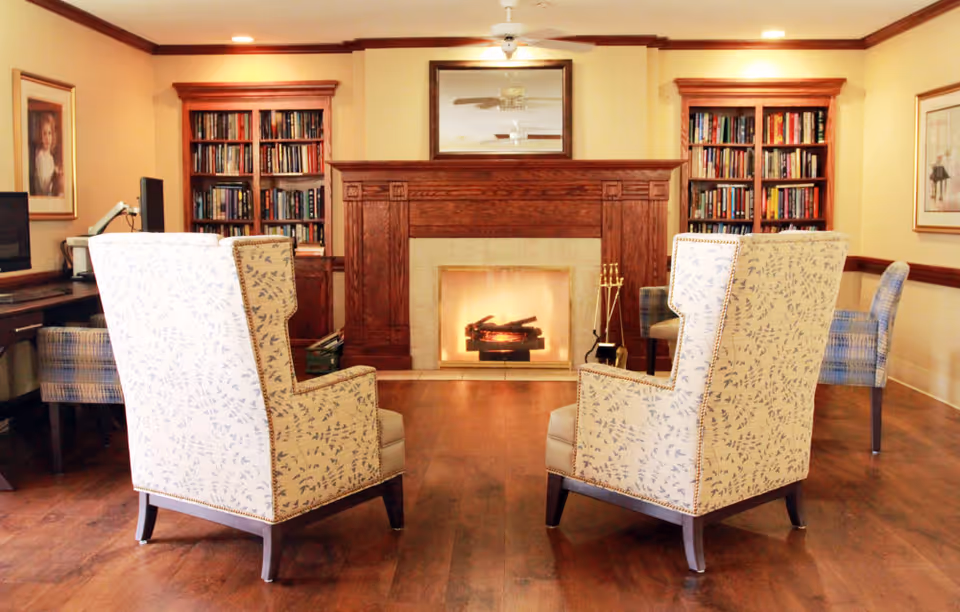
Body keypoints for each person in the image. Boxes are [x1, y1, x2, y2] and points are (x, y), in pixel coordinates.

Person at [32, 113, 62, 196]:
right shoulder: (40, 156)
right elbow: (44, 187)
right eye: (44, 134)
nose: (47, 138)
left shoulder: (50, 158)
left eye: (49, 133)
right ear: (40, 136)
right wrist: (54, 175)